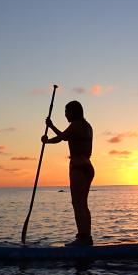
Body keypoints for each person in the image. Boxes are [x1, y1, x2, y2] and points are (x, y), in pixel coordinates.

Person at [42, 100, 95, 246]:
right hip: (88, 167)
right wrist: (48, 139)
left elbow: (63, 137)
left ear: (73, 112)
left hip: (78, 167)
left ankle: (83, 238)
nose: (65, 115)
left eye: (67, 111)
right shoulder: (87, 126)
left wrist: (50, 127)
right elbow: (63, 137)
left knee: (77, 203)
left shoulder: (76, 125)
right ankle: (87, 237)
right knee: (83, 204)